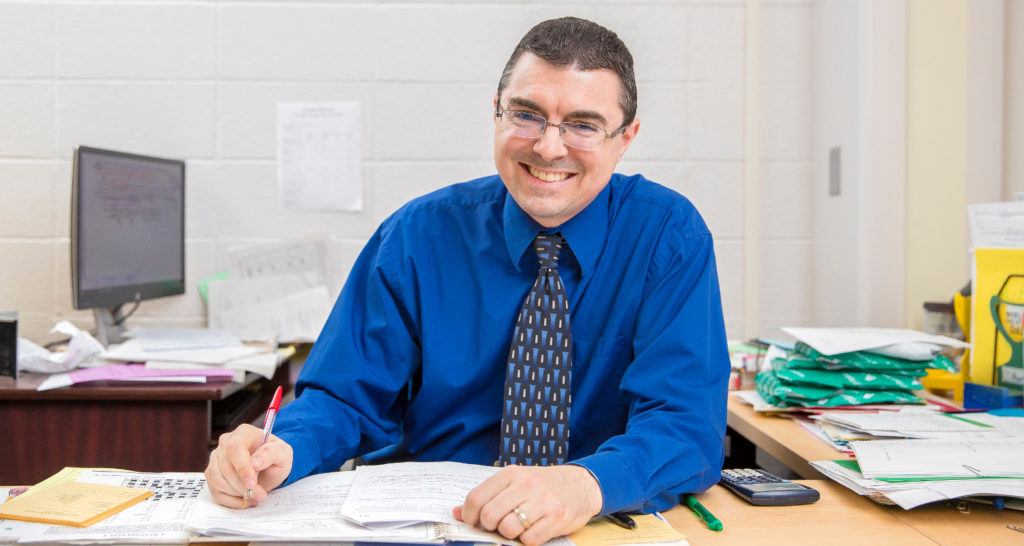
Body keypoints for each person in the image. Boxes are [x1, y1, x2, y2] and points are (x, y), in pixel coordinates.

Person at [205, 16, 729, 546]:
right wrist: (282, 447)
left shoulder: (668, 236)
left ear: (625, 139)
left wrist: (585, 484)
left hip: (593, 524)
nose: (549, 148)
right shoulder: (415, 236)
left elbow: (686, 424)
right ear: (496, 112)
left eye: (583, 124)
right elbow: (343, 398)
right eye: (527, 115)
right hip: (425, 523)